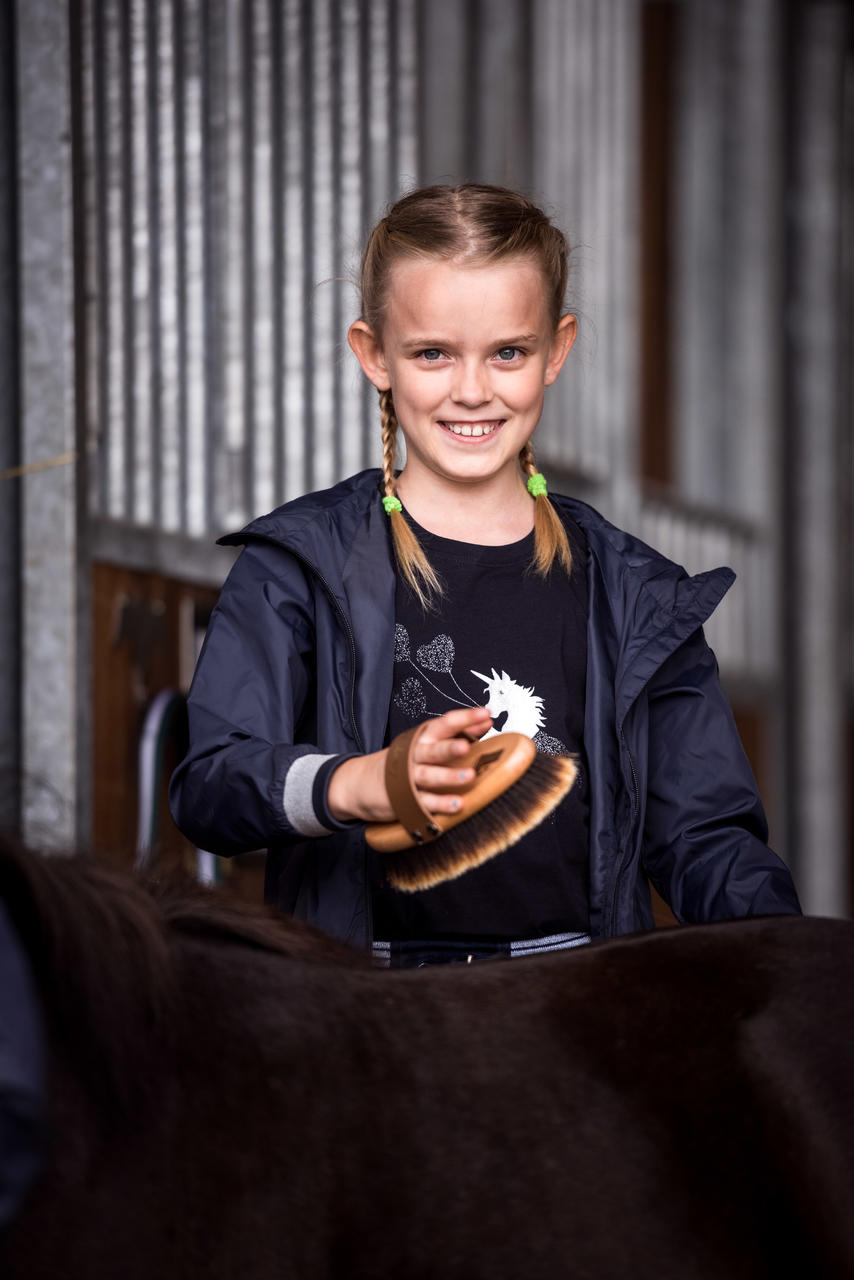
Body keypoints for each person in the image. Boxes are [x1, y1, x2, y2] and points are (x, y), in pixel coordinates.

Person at [169, 183, 801, 966]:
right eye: (433, 352)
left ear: (556, 351)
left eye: (509, 352)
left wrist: (798, 962)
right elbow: (210, 787)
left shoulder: (635, 593)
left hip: (575, 1005)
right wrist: (360, 784)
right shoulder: (298, 566)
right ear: (374, 355)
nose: (473, 390)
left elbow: (705, 837)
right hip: (368, 1009)